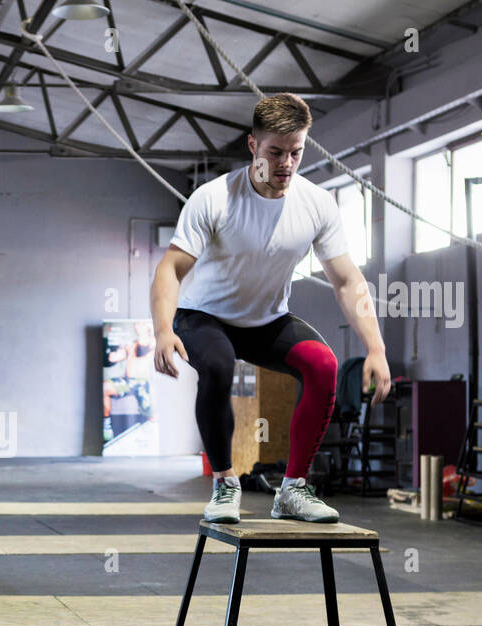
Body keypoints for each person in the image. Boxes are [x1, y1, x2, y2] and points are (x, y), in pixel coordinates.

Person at [150, 92, 392, 524]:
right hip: (204, 317)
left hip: (266, 320)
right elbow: (171, 268)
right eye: (275, 152)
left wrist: (376, 348)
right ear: (252, 146)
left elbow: (346, 279)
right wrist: (163, 329)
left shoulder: (316, 204)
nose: (286, 164)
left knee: (323, 365)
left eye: (296, 152)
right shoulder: (214, 199)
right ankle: (225, 484)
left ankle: (293, 490)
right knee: (220, 365)